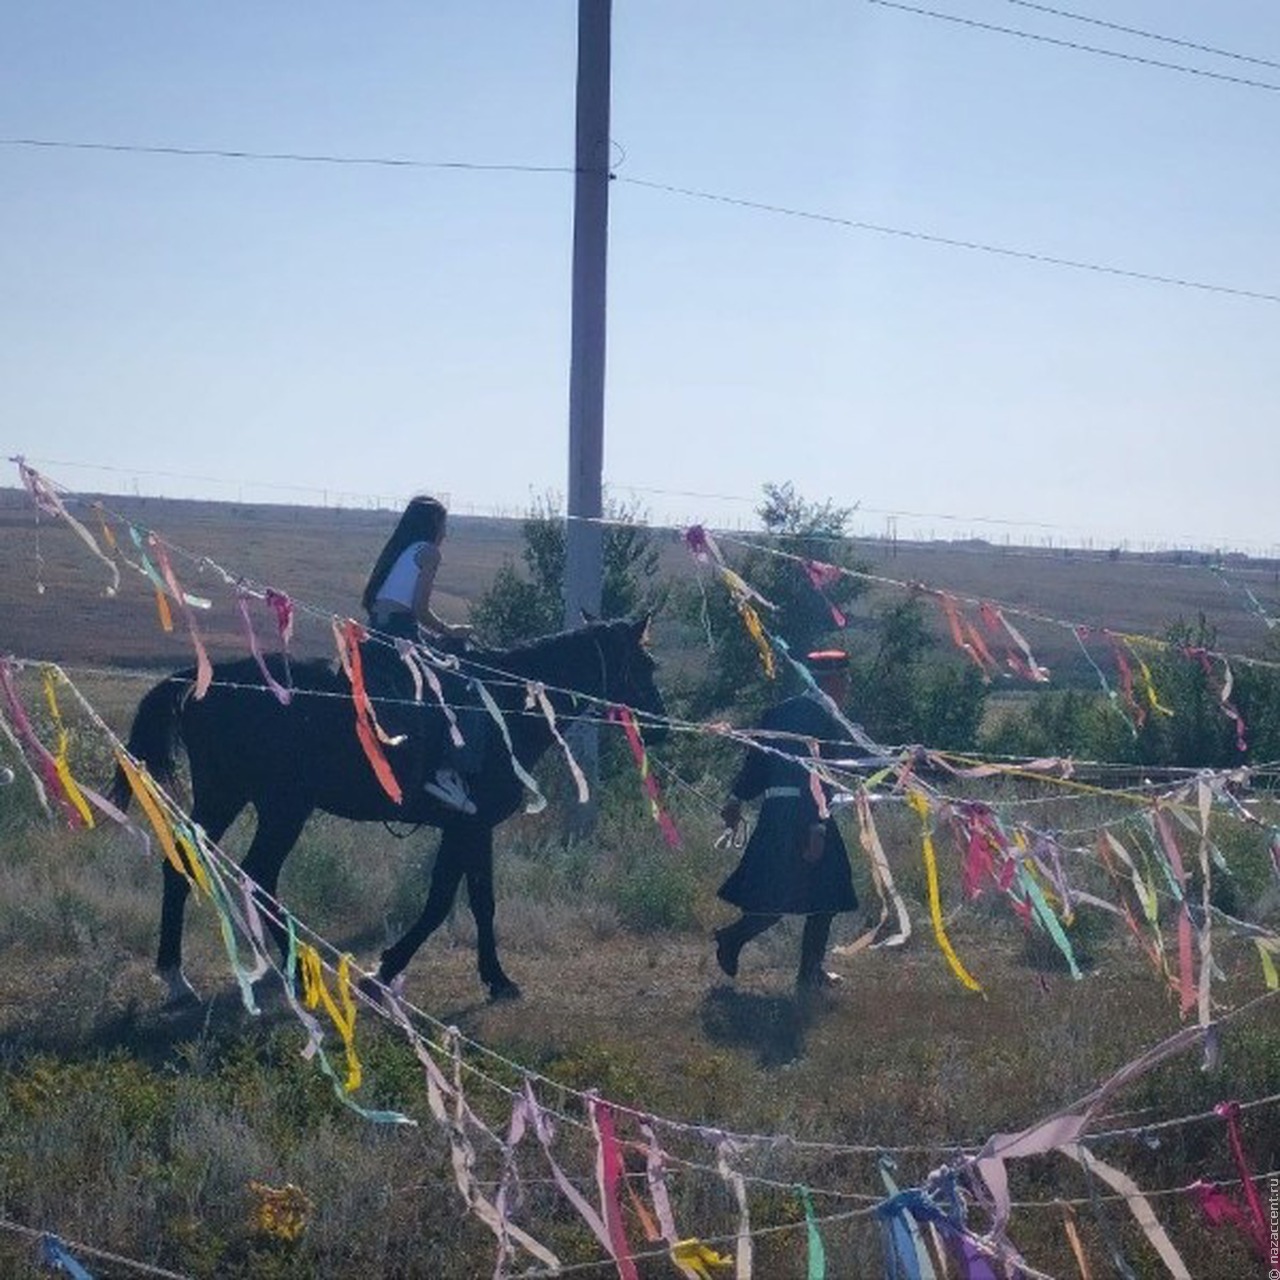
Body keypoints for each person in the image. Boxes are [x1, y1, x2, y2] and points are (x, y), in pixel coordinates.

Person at [714, 649, 860, 990]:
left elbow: (756, 765)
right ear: (832, 680)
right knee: (826, 895)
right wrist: (817, 827)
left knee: (779, 895)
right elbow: (817, 776)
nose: (848, 687)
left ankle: (737, 941)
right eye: (846, 680)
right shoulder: (826, 719)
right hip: (807, 813)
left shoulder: (777, 712)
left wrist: (736, 799)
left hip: (776, 815)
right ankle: (804, 974)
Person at [361, 495, 478, 813]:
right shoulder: (429, 553)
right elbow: (420, 609)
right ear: (433, 525)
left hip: (378, 631)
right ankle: (443, 772)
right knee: (455, 685)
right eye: (444, 524)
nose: (446, 532)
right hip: (401, 633)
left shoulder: (398, 550)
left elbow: (386, 604)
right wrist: (449, 630)